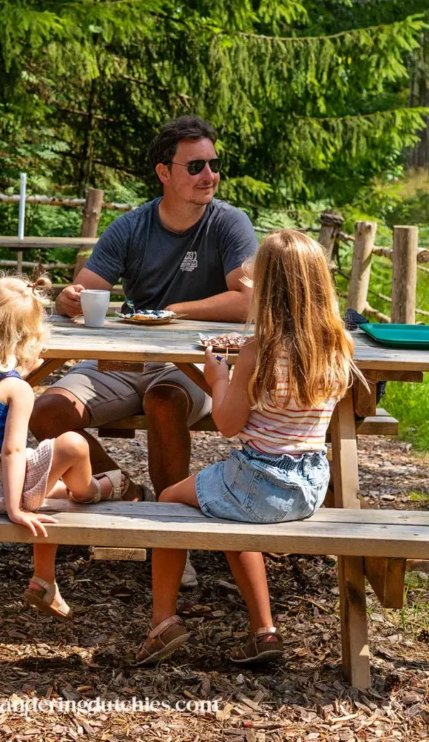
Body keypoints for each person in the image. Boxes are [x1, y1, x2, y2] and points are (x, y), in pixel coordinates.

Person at [29, 115, 258, 585]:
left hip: (194, 364)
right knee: (45, 410)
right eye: (195, 166)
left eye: (214, 164)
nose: (209, 175)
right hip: (119, 359)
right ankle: (126, 491)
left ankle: (167, 536)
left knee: (165, 402)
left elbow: (248, 299)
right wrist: (69, 298)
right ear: (164, 173)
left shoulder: (229, 223)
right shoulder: (131, 225)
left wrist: (177, 308)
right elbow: (82, 291)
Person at [134, 229, 357, 666]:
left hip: (260, 480)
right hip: (308, 487)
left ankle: (163, 621)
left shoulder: (259, 351)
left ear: (268, 290)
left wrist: (219, 378)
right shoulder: (337, 346)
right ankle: (264, 630)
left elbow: (226, 423)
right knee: (230, 515)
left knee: (168, 500)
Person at [0, 275, 125, 620]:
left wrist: (20, 371)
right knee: (72, 446)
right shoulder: (18, 390)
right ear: (28, 339)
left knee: (53, 496)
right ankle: (95, 489)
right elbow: (12, 452)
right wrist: (15, 510)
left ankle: (45, 580)